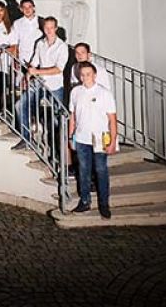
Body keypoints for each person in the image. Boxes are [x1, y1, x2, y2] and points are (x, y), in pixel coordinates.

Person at [69, 61, 118, 219]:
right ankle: (85, 201)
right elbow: (73, 117)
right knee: (83, 171)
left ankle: (104, 204)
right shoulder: (75, 92)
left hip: (99, 138)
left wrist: (112, 141)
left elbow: (112, 119)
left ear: (95, 75)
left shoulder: (104, 93)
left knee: (101, 171)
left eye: (88, 74)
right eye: (82, 75)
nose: (85, 77)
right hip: (82, 138)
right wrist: (71, 137)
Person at [12, 16, 68, 150]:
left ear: (56, 28)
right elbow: (34, 62)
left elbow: (58, 69)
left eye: (51, 27)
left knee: (56, 119)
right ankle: (26, 138)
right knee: (20, 105)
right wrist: (27, 76)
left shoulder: (62, 46)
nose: (48, 30)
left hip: (54, 86)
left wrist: (36, 71)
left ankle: (57, 150)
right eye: (46, 27)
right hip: (39, 83)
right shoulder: (40, 43)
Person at [13, 0, 42, 67]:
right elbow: (15, 43)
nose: (27, 9)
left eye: (29, 7)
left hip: (38, 57)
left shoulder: (41, 21)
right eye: (24, 7)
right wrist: (16, 60)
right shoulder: (17, 23)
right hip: (23, 58)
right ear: (21, 9)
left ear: (34, 8)